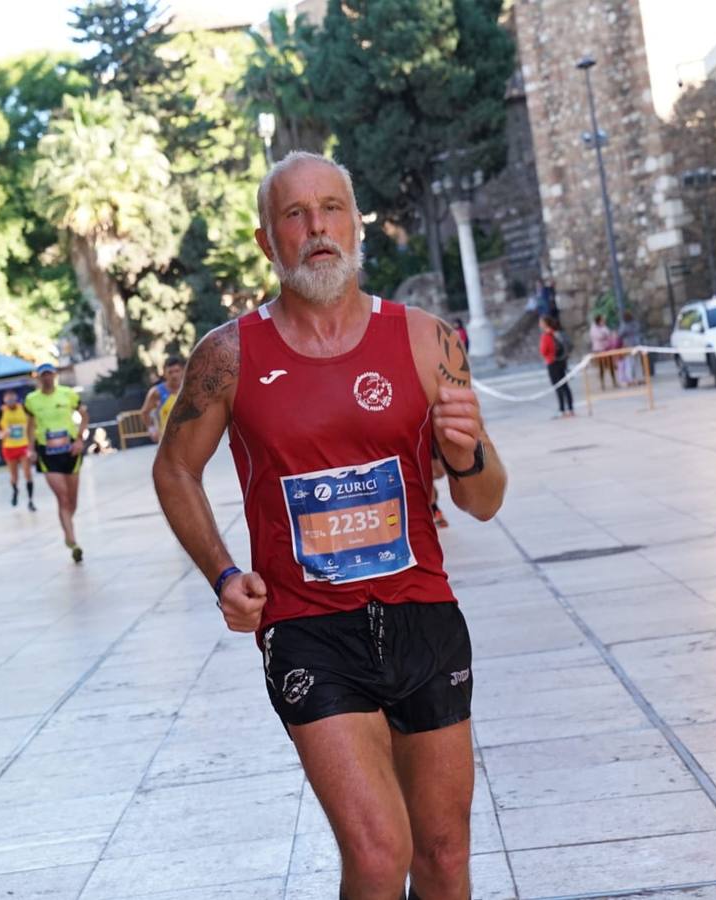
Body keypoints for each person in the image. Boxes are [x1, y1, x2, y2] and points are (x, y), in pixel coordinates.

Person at [153, 152, 508, 900]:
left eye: (331, 208)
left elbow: (484, 499)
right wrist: (223, 572)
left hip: (423, 615)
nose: (317, 227)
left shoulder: (425, 340)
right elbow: (174, 468)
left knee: (443, 855)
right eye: (294, 214)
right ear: (267, 242)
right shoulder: (228, 355)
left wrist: (467, 454)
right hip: (310, 629)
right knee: (379, 854)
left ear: (355, 223)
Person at [25, 363, 89, 563]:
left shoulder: (68, 394)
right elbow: (30, 425)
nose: (47, 378)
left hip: (70, 452)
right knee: (62, 497)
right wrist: (31, 448)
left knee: (72, 501)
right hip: (48, 454)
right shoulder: (31, 400)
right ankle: (72, 541)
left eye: (50, 374)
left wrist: (79, 439)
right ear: (38, 378)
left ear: (55, 375)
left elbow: (84, 415)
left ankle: (67, 526)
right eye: (43, 375)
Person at [0, 390, 36, 511]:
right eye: (8, 400)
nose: (11, 402)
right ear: (4, 401)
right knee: (14, 476)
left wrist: (31, 442)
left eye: (12, 399)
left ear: (16, 399)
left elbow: (33, 422)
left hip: (23, 445)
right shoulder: (1, 412)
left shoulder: (23, 409)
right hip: (9, 447)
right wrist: (2, 433)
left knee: (27, 473)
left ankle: (30, 500)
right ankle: (15, 491)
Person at [139, 356, 186, 443]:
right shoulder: (156, 392)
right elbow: (144, 412)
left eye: (177, 371)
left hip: (190, 437)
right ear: (164, 373)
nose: (174, 375)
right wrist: (151, 429)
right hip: (168, 441)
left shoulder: (190, 389)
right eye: (170, 372)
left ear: (183, 371)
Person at [540, 316, 575, 418]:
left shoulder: (546, 335)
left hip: (552, 362)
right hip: (561, 362)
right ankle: (570, 408)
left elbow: (543, 351)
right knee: (565, 385)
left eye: (541, 322)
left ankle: (562, 410)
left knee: (558, 386)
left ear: (545, 323)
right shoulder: (558, 333)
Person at [589, 314, 618, 390]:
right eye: (602, 320)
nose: (603, 321)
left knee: (611, 366)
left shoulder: (604, 327)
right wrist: (605, 335)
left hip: (607, 349)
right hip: (599, 350)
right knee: (601, 367)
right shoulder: (594, 328)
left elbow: (608, 335)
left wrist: (606, 336)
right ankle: (602, 383)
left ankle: (614, 381)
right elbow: (599, 336)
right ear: (598, 321)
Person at [617, 310, 641, 386]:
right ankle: (639, 378)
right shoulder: (635, 323)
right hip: (636, 344)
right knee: (637, 362)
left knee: (629, 363)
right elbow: (638, 330)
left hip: (628, 345)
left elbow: (620, 334)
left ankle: (630, 379)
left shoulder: (624, 325)